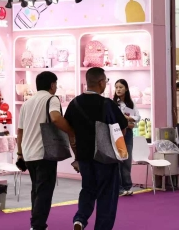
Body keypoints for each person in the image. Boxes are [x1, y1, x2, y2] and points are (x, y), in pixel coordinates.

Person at [64, 68, 128, 230]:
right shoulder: (107, 104)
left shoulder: (74, 103)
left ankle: (80, 219)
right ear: (101, 82)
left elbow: (69, 131)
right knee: (107, 195)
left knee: (88, 189)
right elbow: (122, 126)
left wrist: (76, 156)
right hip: (105, 156)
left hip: (84, 156)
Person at [16, 71, 76, 230]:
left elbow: (20, 131)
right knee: (44, 191)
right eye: (56, 84)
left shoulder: (27, 103)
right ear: (52, 85)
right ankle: (37, 226)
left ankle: (36, 223)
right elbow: (55, 117)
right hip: (45, 152)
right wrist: (71, 131)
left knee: (36, 189)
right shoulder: (52, 99)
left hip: (28, 153)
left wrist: (20, 154)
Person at [113, 79, 139, 196]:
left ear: (126, 89)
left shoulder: (131, 103)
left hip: (128, 134)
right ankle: (119, 188)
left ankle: (127, 186)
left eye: (121, 87)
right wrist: (126, 122)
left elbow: (137, 117)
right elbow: (112, 119)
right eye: (116, 87)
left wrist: (129, 119)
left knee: (127, 161)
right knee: (118, 161)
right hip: (116, 133)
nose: (118, 89)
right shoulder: (113, 103)